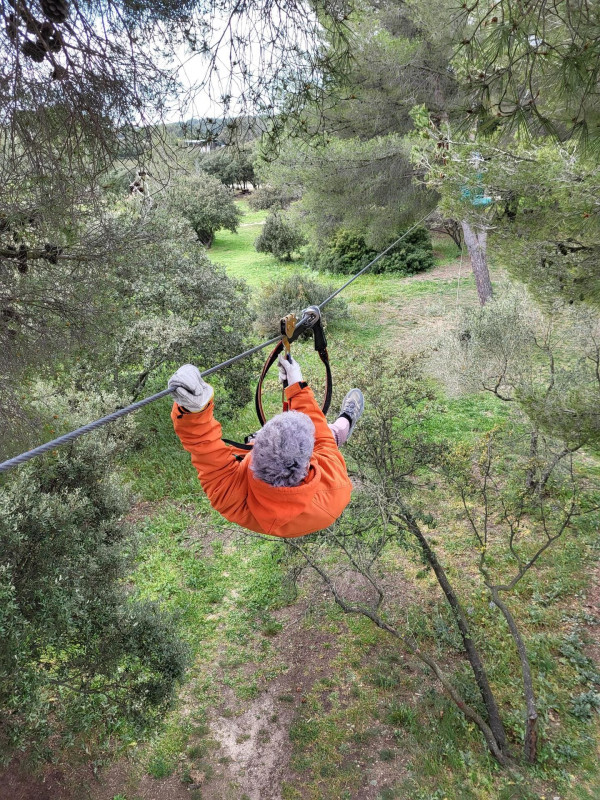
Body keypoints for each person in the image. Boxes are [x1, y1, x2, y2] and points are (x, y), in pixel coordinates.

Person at [168, 354, 364, 538]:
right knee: (331, 436)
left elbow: (204, 447)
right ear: (308, 462)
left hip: (277, 513)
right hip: (323, 508)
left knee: (325, 439)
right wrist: (296, 385)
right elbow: (321, 437)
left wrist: (193, 407)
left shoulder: (232, 495)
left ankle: (341, 427)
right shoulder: (335, 486)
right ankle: (345, 422)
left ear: (255, 449)